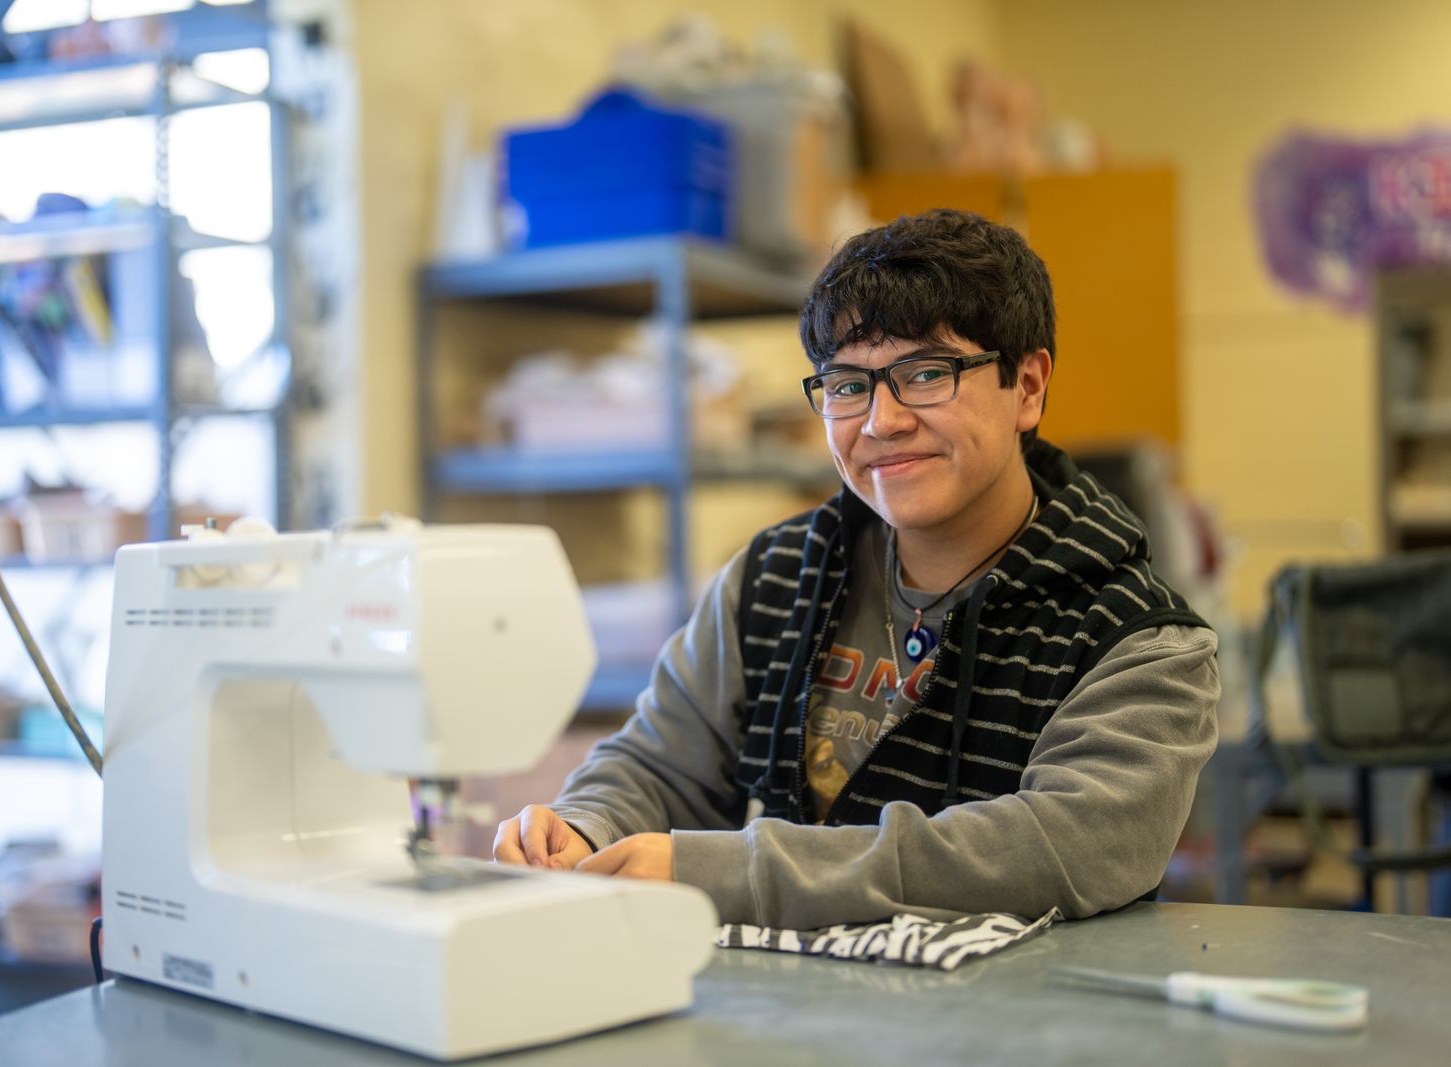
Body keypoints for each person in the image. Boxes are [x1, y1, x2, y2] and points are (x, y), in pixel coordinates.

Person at [492, 209, 1220, 931]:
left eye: (927, 373)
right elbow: (659, 764)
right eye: (847, 384)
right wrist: (580, 829)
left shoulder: (1140, 641)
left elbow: (1064, 849)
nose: (881, 421)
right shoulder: (772, 578)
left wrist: (731, 873)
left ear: (1027, 386)